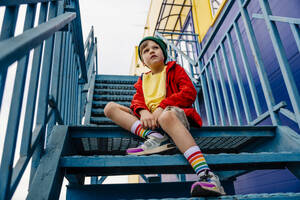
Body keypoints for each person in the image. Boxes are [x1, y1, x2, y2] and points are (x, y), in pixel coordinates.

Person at [104, 36, 225, 197]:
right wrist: (143, 111)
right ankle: (154, 137)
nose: (151, 51)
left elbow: (189, 92)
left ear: (163, 53)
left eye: (155, 47)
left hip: (173, 116)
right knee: (110, 108)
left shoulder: (174, 69)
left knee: (166, 116)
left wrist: (162, 107)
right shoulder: (143, 81)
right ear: (144, 61)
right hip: (152, 123)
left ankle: (208, 176)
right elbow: (136, 102)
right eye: (145, 51)